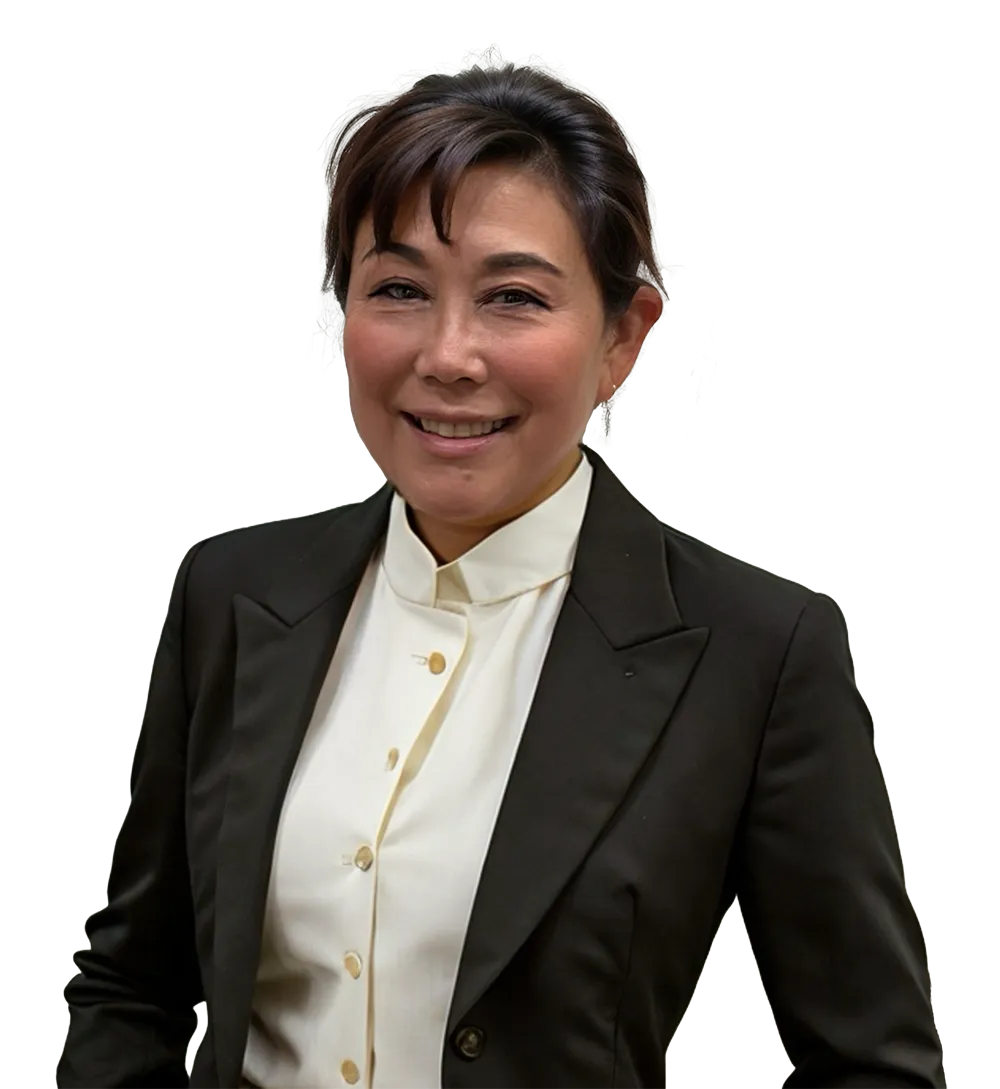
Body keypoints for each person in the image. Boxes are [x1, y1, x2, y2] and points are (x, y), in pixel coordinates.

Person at [58, 59, 946, 1089]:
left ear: (621, 338)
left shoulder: (756, 653)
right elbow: (131, 984)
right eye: (398, 289)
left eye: (513, 298)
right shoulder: (235, 591)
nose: (448, 355)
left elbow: (872, 1065)